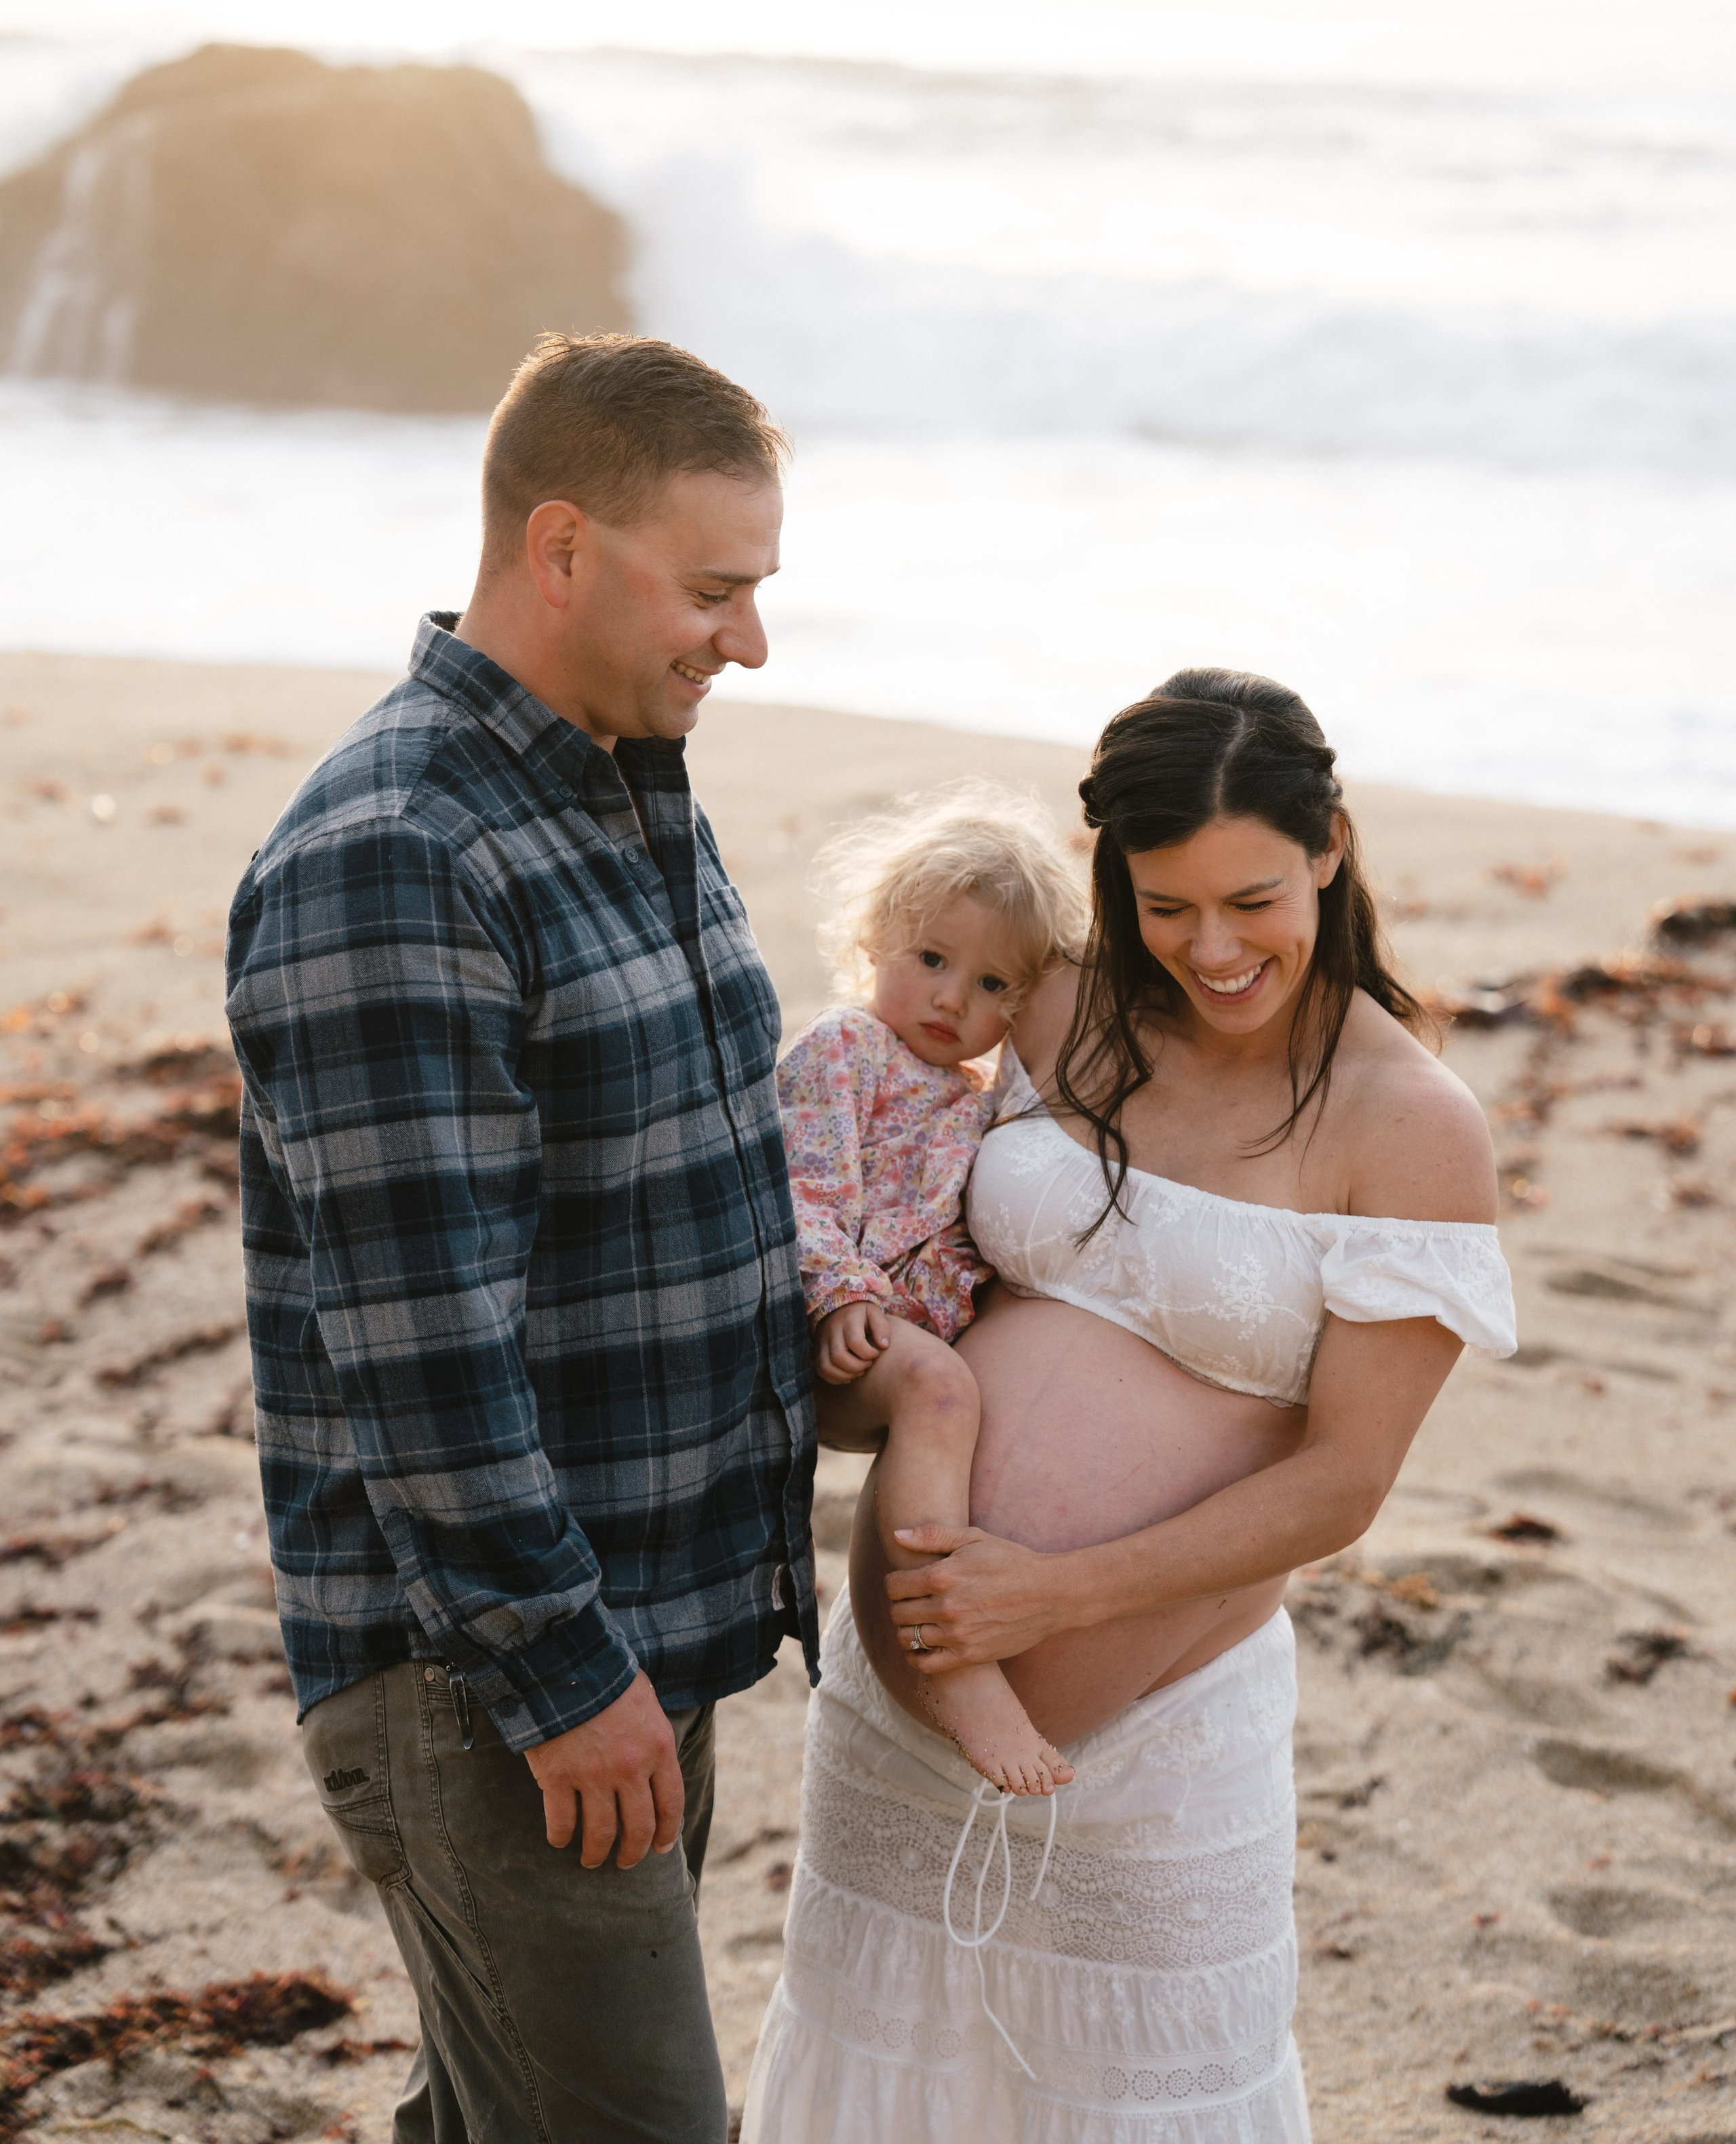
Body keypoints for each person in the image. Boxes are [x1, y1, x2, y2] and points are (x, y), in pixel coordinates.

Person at [745, 668, 1517, 2143]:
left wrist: (1050, 1593)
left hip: (1154, 1741)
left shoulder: (1407, 1127)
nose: (1210, 950)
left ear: (1329, 851)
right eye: (1164, 907)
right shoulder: (1048, 1002)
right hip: (897, 1726)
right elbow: (880, 1223)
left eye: (1250, 900)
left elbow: (1342, 1484)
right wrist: (865, 1385)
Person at [227, 334, 818, 2144]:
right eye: (715, 589)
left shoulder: (621, 781)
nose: (752, 641)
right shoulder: (395, 852)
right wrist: (568, 1684)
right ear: (563, 549)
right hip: (494, 1681)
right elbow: (422, 1348)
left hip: (633, 1632)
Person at [779, 787, 1084, 1797]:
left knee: (964, 1390)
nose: (953, 999)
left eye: (992, 983)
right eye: (932, 960)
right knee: (941, 1392)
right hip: (821, 1327)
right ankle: (952, 1663)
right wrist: (841, 1300)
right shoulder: (843, 1052)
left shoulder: (975, 1103)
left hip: (898, 1334)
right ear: (878, 941)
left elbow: (958, 1240)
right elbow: (805, 1193)